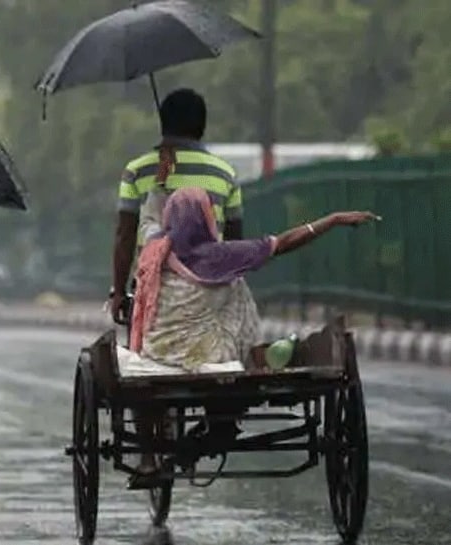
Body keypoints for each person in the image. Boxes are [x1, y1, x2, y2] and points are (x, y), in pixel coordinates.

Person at [125, 186, 377, 485]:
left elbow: (148, 221)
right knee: (236, 286)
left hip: (161, 354)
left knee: (135, 381)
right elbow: (283, 243)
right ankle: (211, 433)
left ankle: (148, 458)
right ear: (207, 219)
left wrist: (157, 188)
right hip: (215, 357)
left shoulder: (155, 249)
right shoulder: (224, 255)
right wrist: (334, 219)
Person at [111, 88, 242, 323]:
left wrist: (119, 291)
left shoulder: (137, 171)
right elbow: (235, 241)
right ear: (202, 126)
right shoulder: (225, 174)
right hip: (208, 292)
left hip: (152, 293)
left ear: (163, 124)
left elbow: (125, 235)